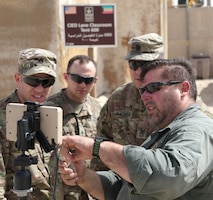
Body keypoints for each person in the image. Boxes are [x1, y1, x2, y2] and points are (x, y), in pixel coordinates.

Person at [59, 58, 213, 200]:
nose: (144, 97)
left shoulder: (196, 130)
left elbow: (168, 176)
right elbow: (124, 185)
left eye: (153, 88)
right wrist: (84, 176)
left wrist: (97, 147)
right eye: (143, 90)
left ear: (183, 89)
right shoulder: (165, 131)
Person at [0, 48, 57, 199]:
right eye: (33, 81)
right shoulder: (3, 119)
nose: (40, 89)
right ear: (18, 79)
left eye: (47, 82)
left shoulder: (52, 114)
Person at [44, 55, 101, 200]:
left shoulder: (98, 109)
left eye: (88, 80)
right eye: (77, 79)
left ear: (95, 81)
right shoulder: (48, 109)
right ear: (66, 77)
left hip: (91, 191)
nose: (82, 85)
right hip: (59, 192)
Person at [96, 33, 163, 146]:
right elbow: (101, 140)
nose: (138, 71)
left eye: (145, 64)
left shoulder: (178, 98)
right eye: (133, 64)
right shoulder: (118, 98)